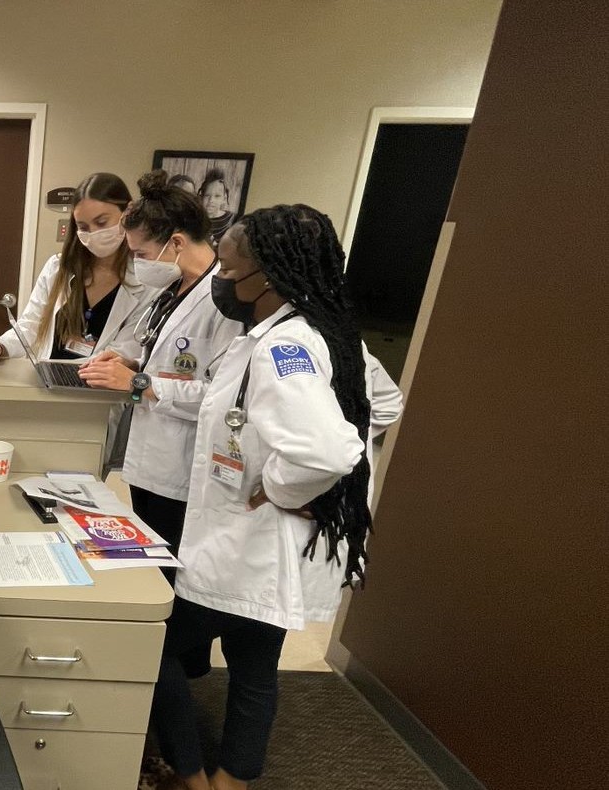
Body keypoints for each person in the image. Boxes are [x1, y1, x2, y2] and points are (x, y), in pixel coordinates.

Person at [148, 205, 404, 790]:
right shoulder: (333, 334)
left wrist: (284, 485)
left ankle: (190, 775)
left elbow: (331, 450)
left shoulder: (280, 348)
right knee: (255, 665)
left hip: (250, 543)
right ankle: (234, 780)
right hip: (277, 546)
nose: (219, 281)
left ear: (269, 277)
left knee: (152, 645)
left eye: (229, 271)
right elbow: (382, 406)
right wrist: (326, 487)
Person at [77, 170, 243, 575]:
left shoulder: (224, 303)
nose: (138, 263)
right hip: (150, 460)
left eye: (143, 254)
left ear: (177, 243)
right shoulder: (173, 288)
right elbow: (153, 349)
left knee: (171, 575)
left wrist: (139, 382)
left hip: (183, 469)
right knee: (149, 560)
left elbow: (223, 396)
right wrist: (129, 361)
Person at [0, 172, 148, 363]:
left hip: (100, 388)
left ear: (128, 213)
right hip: (50, 382)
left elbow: (126, 351)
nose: (93, 233)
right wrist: (1, 346)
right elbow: (31, 324)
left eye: (101, 222)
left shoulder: (146, 281)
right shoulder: (58, 268)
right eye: (83, 227)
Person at [198, 168, 237, 247]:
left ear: (224, 198)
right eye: (207, 195)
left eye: (217, 196)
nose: (211, 200)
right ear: (201, 196)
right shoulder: (195, 219)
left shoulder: (233, 220)